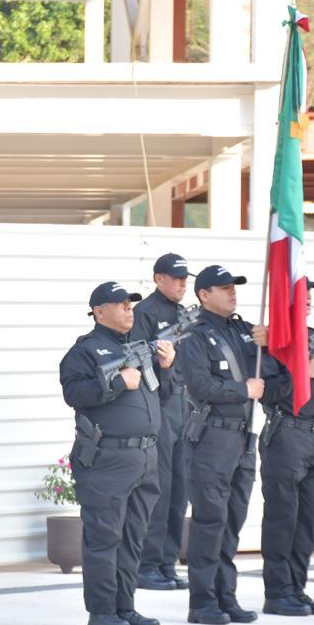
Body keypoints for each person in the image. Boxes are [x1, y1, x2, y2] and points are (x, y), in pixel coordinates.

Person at [59, 281, 175, 625]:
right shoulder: (85, 351)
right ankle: (102, 611)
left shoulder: (139, 348)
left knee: (133, 538)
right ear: (98, 311)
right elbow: (74, 393)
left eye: (130, 304)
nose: (129, 309)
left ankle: (125, 606)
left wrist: (167, 367)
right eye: (121, 304)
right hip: (107, 459)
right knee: (103, 537)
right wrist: (115, 384)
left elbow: (162, 396)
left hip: (144, 457)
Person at [181, 265, 267, 625]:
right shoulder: (193, 335)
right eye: (224, 288)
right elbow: (200, 385)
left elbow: (270, 366)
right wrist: (242, 390)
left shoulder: (244, 331)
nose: (233, 292)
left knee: (232, 521)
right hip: (212, 438)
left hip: (244, 436)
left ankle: (225, 596)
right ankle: (203, 602)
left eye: (234, 287)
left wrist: (270, 340)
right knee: (210, 520)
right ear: (203, 295)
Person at [259, 280, 314, 617]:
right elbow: (266, 391)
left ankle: (296, 587)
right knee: (283, 516)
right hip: (286, 432)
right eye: (299, 295)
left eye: (310, 295)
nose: (307, 299)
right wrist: (302, 373)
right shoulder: (274, 341)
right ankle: (277, 593)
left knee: (309, 518)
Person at [134, 253, 192, 591]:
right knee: (161, 487)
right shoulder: (146, 313)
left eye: (186, 277)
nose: (183, 283)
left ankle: (167, 562)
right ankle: (147, 563)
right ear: (158, 279)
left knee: (180, 488)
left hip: (184, 406)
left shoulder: (184, 314)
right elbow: (141, 363)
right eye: (176, 277)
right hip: (159, 405)